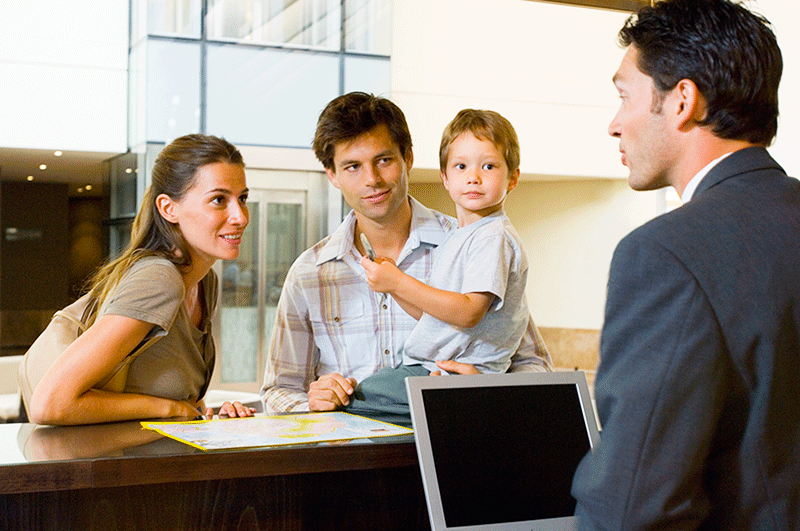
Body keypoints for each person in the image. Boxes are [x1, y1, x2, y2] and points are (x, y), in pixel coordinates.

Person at [570, 1, 800, 529]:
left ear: (682, 102)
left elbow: (634, 507)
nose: (614, 124)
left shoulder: (664, 254)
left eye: (624, 96)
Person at [261, 92, 553, 413]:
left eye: (384, 160)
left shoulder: (473, 243)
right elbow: (278, 391)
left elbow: (534, 364)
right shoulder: (309, 273)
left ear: (408, 159)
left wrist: (486, 390)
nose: (372, 179)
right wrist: (312, 403)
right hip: (353, 456)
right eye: (353, 167)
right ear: (332, 175)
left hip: (450, 450)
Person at [29, 134, 256, 425]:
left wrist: (198, 409)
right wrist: (170, 409)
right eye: (218, 200)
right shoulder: (160, 279)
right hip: (114, 466)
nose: (240, 216)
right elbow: (50, 404)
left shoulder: (204, 283)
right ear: (168, 208)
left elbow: (164, 389)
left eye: (242, 199)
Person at [346, 109, 530, 414]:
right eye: (461, 166)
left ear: (512, 178)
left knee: (357, 398)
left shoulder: (492, 236)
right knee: (367, 395)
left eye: (488, 166)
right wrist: (392, 286)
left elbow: (469, 311)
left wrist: (399, 281)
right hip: (436, 370)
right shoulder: (460, 236)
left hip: (450, 373)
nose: (473, 177)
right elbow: (432, 314)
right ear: (444, 177)